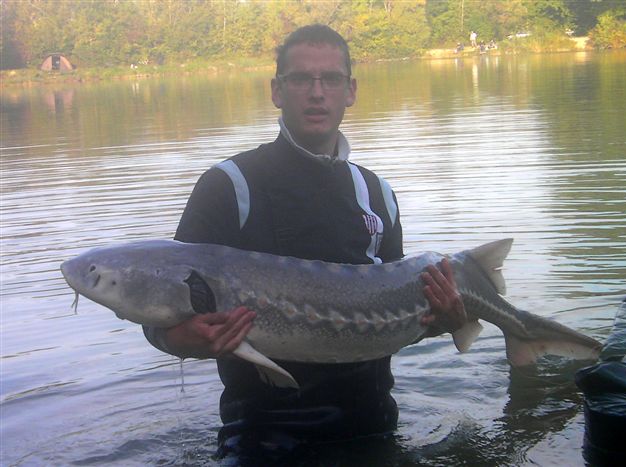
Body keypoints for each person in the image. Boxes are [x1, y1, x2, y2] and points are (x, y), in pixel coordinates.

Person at [143, 24, 466, 462]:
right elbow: (162, 315)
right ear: (277, 91)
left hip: (373, 428)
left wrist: (442, 321)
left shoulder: (377, 194)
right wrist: (180, 340)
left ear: (350, 90)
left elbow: (392, 322)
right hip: (262, 436)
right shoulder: (228, 186)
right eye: (301, 79)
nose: (317, 93)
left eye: (330, 79)